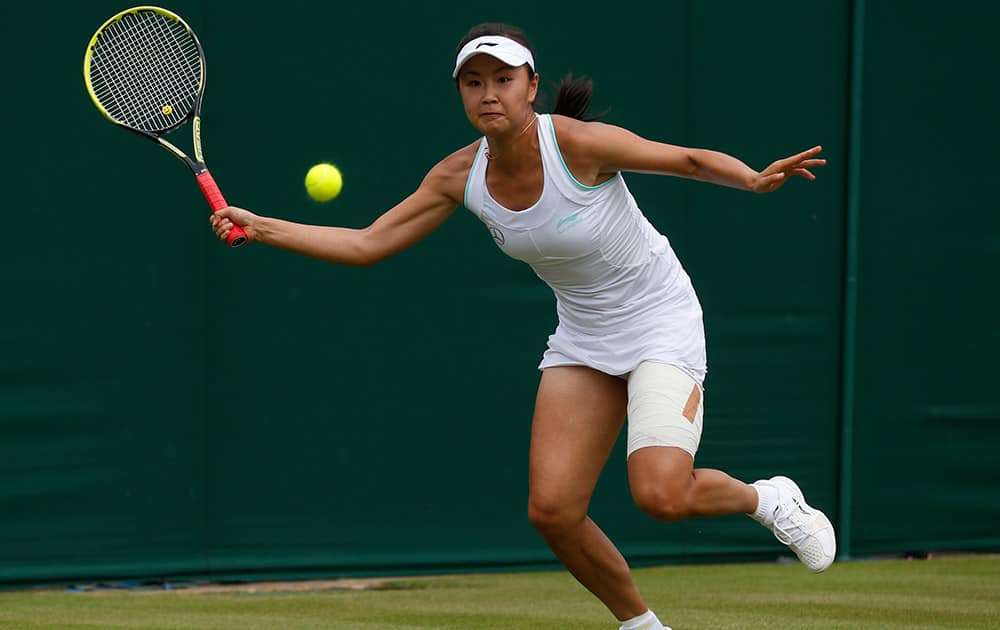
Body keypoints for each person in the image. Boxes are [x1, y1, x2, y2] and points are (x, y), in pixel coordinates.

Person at [210, 22, 836, 630]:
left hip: (659, 321)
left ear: (530, 86)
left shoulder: (576, 144)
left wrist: (752, 178)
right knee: (554, 511)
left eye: (502, 79)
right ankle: (641, 625)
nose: (488, 94)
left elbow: (688, 160)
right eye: (473, 82)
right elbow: (369, 242)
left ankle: (769, 499)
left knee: (660, 496)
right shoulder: (458, 176)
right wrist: (263, 227)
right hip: (584, 337)